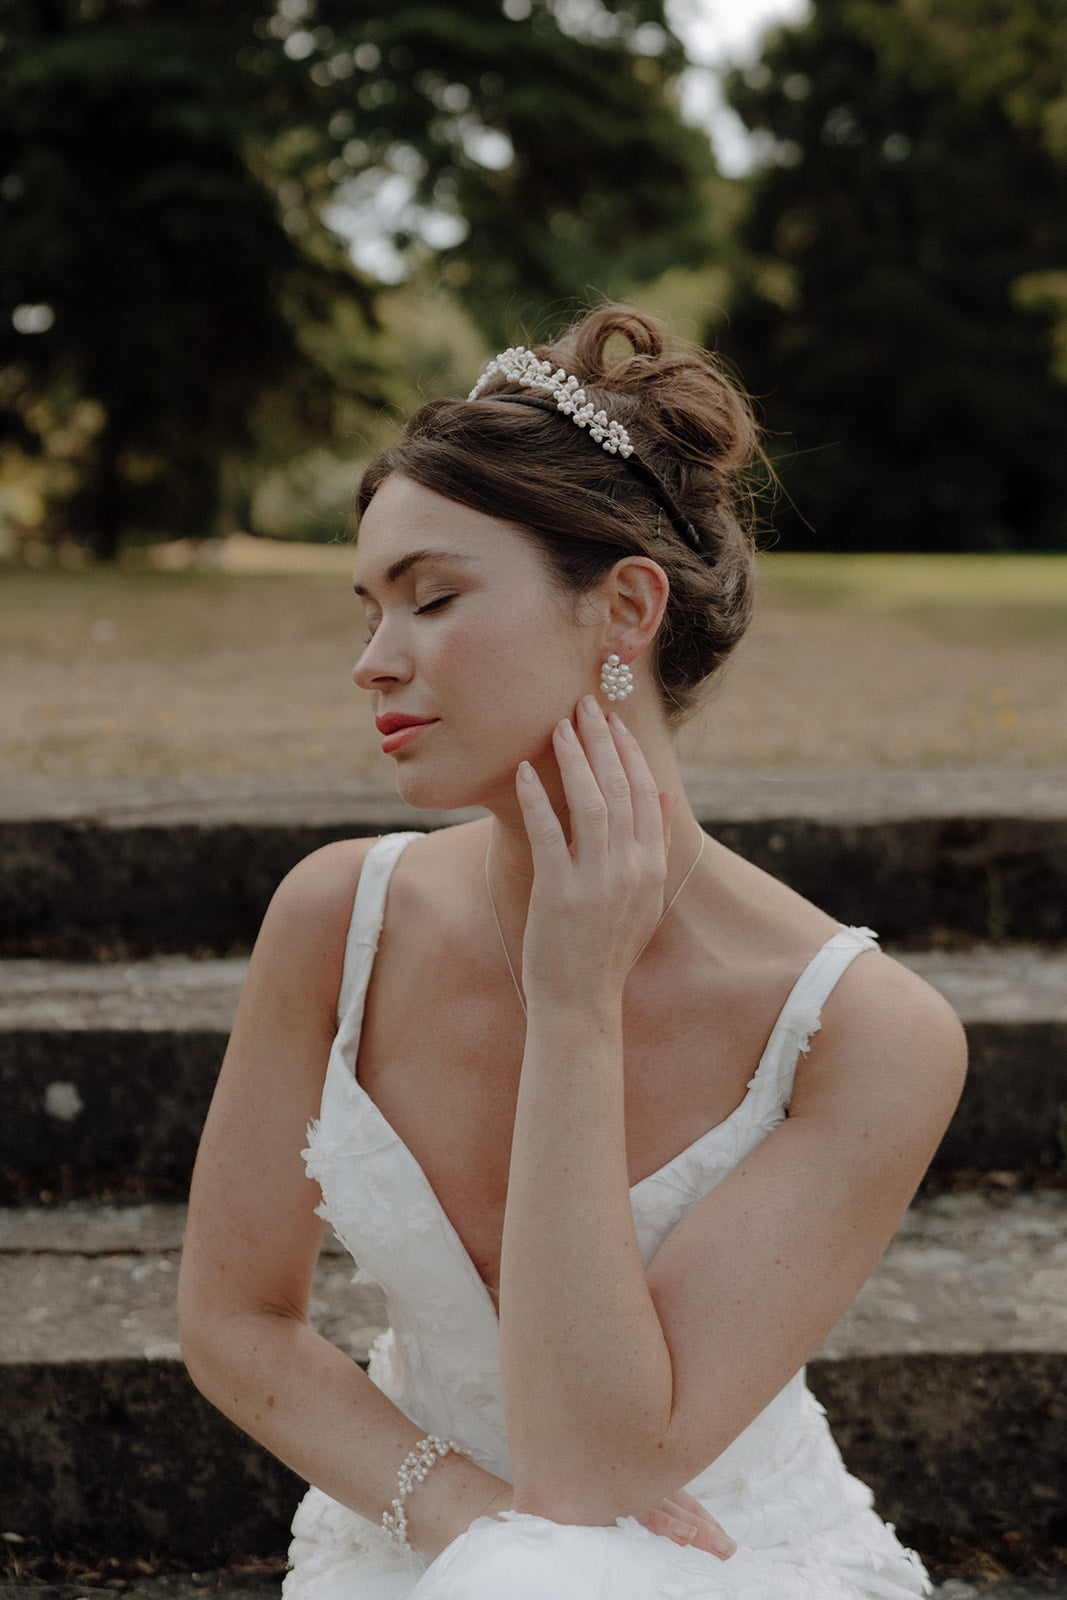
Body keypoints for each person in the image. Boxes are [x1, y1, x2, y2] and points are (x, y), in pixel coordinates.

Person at [178, 304, 967, 1600]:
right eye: (370, 610)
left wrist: (576, 1003)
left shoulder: (868, 1033)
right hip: (418, 1532)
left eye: (432, 598)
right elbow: (233, 1321)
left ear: (626, 611)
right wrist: (471, 1522)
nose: (375, 664)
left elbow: (594, 1479)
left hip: (721, 1557)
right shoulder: (335, 919)